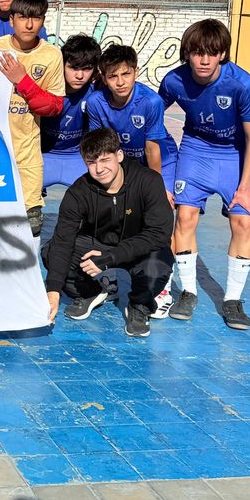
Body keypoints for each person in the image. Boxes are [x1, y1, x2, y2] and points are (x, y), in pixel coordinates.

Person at [158, 19, 250, 330]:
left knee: (243, 221)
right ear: (186, 54)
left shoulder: (242, 85)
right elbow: (151, 112)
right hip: (195, 150)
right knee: (185, 217)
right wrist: (163, 160)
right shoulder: (174, 81)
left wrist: (244, 187)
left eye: (212, 53)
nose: (204, 60)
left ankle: (232, 299)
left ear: (222, 55)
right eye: (197, 52)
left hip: (235, 154)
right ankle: (188, 292)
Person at [44, 128, 175, 338]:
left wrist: (111, 258)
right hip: (99, 244)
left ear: (120, 155)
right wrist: (53, 292)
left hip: (138, 246)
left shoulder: (148, 181)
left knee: (157, 264)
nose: (99, 169)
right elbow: (63, 241)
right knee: (52, 252)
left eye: (105, 160)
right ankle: (92, 291)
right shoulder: (78, 192)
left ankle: (139, 306)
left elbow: (159, 233)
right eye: (92, 162)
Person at [86, 43, 180, 318]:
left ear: (136, 72)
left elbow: (153, 149)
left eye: (125, 74)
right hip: (122, 162)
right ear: (103, 77)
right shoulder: (96, 103)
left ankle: (161, 288)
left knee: (160, 217)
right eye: (113, 76)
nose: (120, 82)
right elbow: (99, 145)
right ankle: (108, 275)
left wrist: (158, 188)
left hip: (158, 160)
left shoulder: (150, 102)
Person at [0, 0, 65, 237]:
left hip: (27, 152)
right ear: (11, 20)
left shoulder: (51, 54)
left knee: (32, 229)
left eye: (36, 17)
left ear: (43, 20)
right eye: (22, 17)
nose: (29, 24)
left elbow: (53, 107)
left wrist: (22, 81)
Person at [41, 33, 99, 193]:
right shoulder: (45, 88)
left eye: (87, 69)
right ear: (62, 65)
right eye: (74, 67)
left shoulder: (96, 94)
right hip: (42, 155)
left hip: (77, 157)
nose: (80, 76)